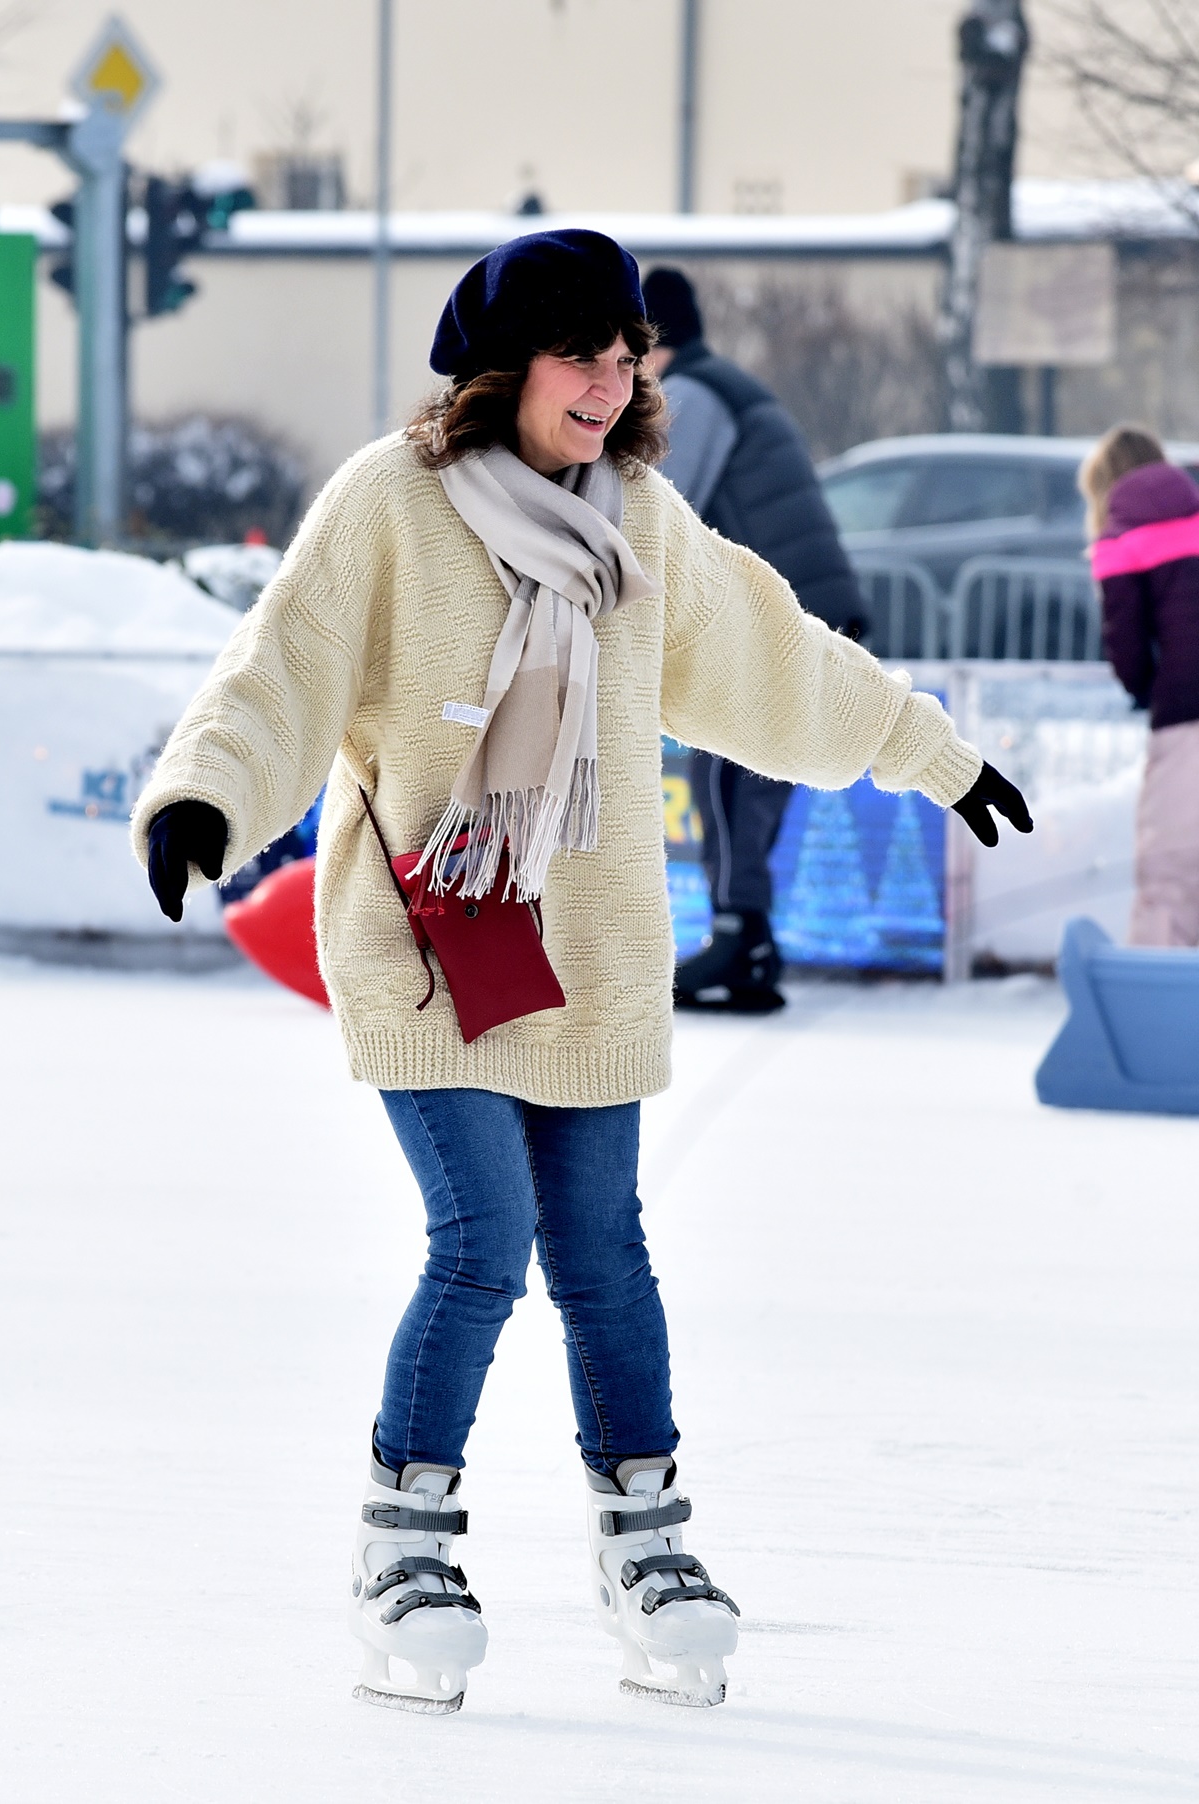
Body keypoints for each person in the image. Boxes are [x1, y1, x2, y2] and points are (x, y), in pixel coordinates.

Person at [132, 230, 1030, 1717]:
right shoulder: (391, 505)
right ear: (504, 368)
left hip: (588, 952)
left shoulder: (642, 524)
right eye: (579, 356)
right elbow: (280, 667)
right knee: (483, 1234)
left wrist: (928, 752)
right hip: (429, 943)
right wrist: (204, 798)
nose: (609, 385)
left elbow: (777, 657)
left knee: (605, 1250)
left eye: (626, 358)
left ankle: (644, 1543)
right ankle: (403, 1541)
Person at [641, 266, 869, 1013]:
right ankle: (752, 941)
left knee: (730, 773)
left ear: (652, 342)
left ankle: (741, 936)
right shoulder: (726, 385)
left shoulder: (694, 395)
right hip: (805, 610)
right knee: (749, 773)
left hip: (790, 615)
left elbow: (659, 504)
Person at [1082, 423, 1199, 946]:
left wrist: (1147, 689)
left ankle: (1158, 981)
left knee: (1171, 871)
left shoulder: (1119, 538)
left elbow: (1125, 645)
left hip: (1187, 712)